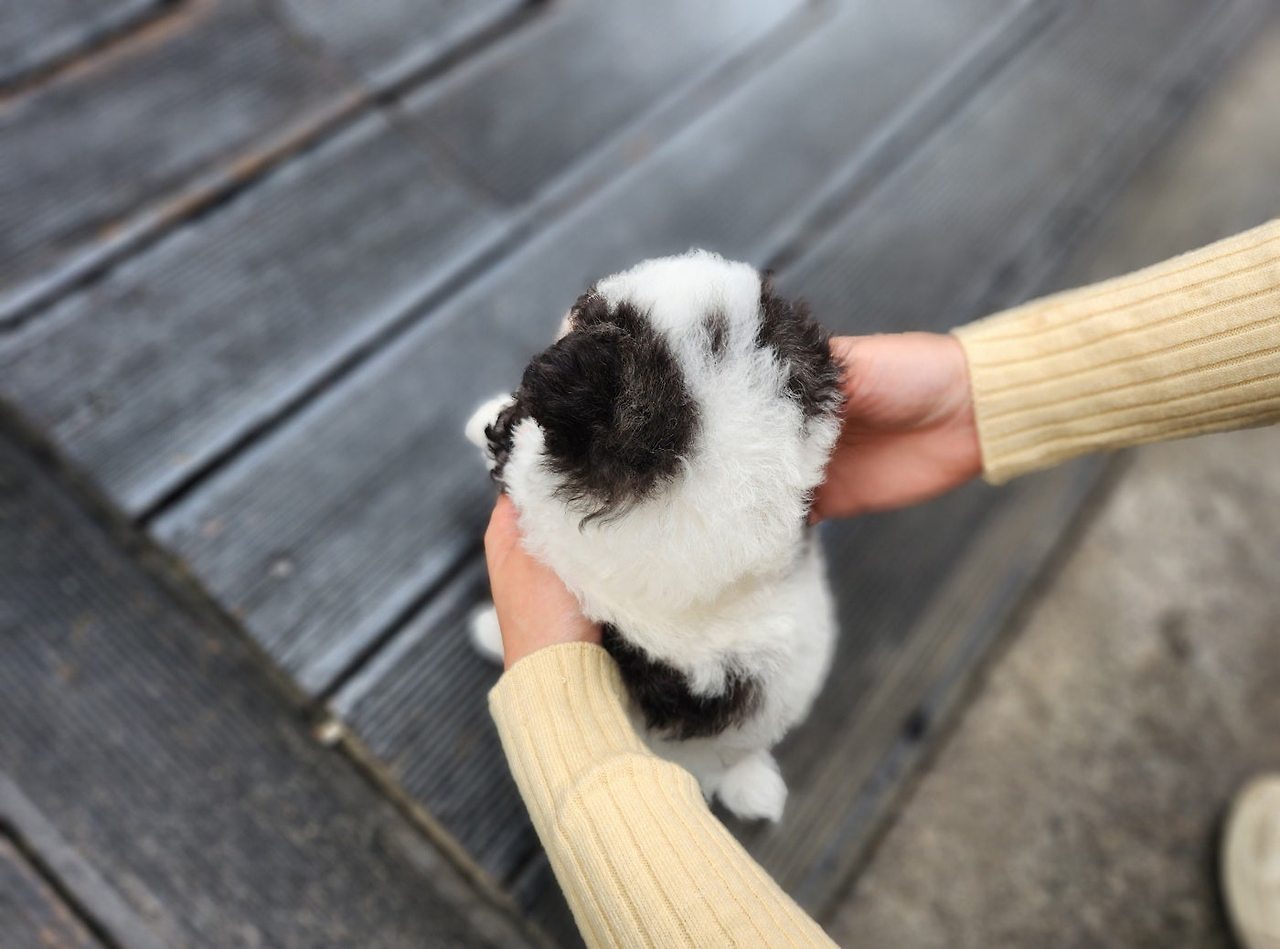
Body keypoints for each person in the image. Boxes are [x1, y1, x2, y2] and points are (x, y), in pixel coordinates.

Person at [484, 220, 1280, 948]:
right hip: (751, 640)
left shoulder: (650, 524)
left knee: (681, 714)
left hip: (713, 685)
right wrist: (977, 393)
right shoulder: (746, 468)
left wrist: (566, 719)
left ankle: (718, 763)